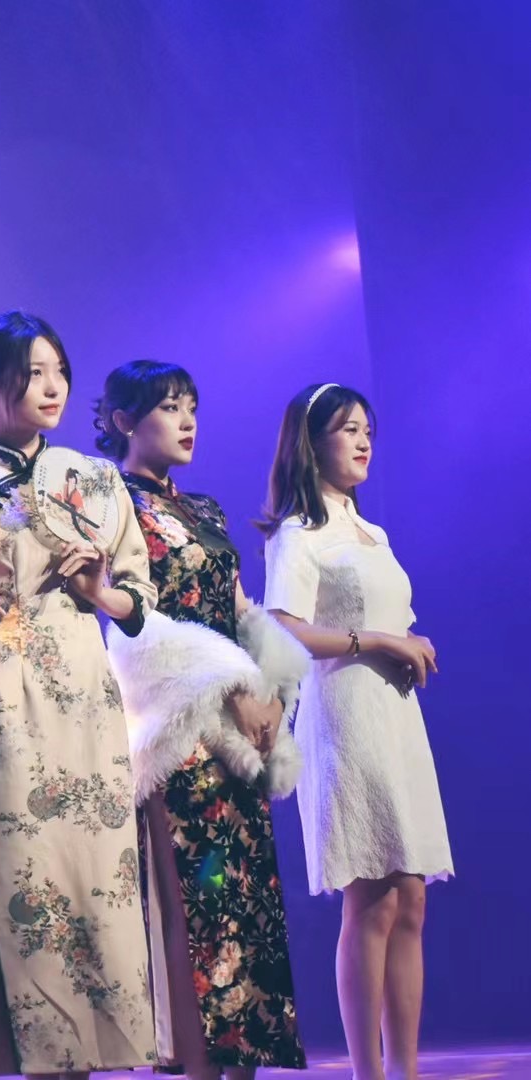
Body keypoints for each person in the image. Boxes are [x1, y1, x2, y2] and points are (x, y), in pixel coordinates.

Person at [0, 311, 156, 1078]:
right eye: (33, 372)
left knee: (100, 877)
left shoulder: (96, 480)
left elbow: (138, 600)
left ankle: (103, 1055)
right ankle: (40, 1057)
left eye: (58, 368)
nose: (52, 385)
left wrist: (100, 590)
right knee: (25, 874)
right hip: (7, 687)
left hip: (88, 690)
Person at [95, 360, 307, 1078]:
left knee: (247, 907)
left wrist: (270, 688)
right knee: (197, 906)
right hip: (181, 732)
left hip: (240, 735)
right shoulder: (111, 504)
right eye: (168, 406)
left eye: (191, 406)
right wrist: (227, 684)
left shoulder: (206, 511)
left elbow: (242, 610)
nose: (187, 420)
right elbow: (133, 623)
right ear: (124, 420)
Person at [261, 382, 452, 1080]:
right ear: (313, 443)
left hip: (396, 720)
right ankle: (367, 1072)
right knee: (371, 895)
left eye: (368, 427)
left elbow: (391, 620)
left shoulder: (372, 533)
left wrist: (407, 640)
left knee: (411, 897)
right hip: (346, 719)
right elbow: (284, 629)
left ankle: (405, 1070)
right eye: (348, 428)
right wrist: (375, 640)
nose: (364, 439)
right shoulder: (299, 534)